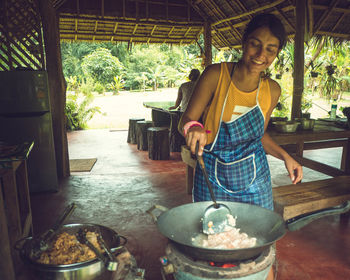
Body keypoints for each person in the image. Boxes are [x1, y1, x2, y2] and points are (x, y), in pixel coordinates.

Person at [178, 13, 303, 280]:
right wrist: (194, 128)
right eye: (255, 44)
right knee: (210, 245)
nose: (261, 54)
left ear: (277, 52)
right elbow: (186, 120)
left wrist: (286, 157)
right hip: (211, 173)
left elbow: (260, 136)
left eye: (271, 49)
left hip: (254, 178)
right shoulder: (216, 75)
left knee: (258, 248)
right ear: (244, 42)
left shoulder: (272, 90)